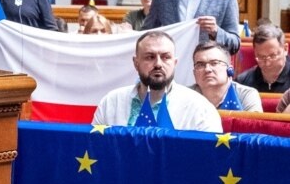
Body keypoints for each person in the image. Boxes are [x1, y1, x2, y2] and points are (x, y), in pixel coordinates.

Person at [91, 30, 221, 131]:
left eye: (166, 57)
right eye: (150, 57)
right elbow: (95, 149)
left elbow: (210, 159)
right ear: (136, 63)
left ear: (174, 63)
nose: (158, 64)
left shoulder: (200, 108)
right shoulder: (111, 102)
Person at [191, 40, 263, 112]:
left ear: (229, 69)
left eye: (214, 63)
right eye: (200, 65)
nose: (207, 69)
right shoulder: (184, 95)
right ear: (194, 73)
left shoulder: (246, 95)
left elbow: (252, 123)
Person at [235, 23, 290, 94]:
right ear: (255, 52)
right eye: (261, 57)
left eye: (272, 56)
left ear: (285, 49)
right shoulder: (242, 82)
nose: (267, 63)